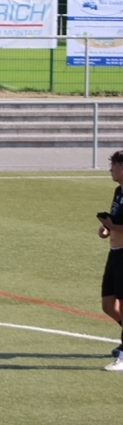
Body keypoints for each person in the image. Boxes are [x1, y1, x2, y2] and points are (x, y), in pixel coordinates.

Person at [99, 152, 123, 371]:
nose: (110, 169)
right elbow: (116, 219)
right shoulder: (119, 191)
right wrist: (107, 227)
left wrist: (113, 226)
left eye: (114, 165)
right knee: (108, 304)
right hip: (115, 253)